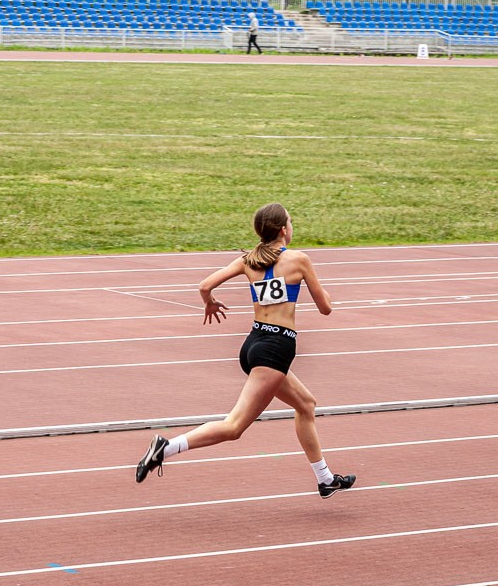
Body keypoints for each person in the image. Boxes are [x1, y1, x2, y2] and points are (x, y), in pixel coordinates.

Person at [135, 203, 357, 499]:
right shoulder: (299, 260)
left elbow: (204, 286)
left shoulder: (249, 260)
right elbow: (326, 308)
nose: (292, 227)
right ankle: (166, 448)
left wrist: (209, 303)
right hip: (275, 349)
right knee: (234, 427)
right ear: (283, 230)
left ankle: (325, 479)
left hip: (254, 344)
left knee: (306, 404)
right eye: (291, 222)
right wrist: (317, 286)